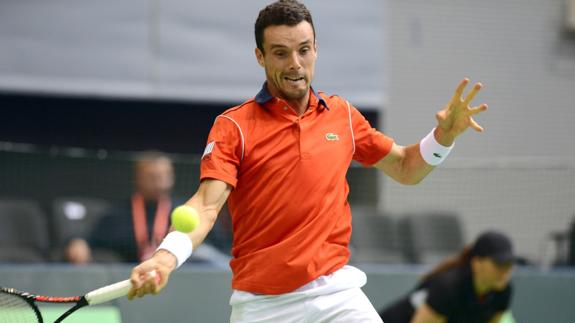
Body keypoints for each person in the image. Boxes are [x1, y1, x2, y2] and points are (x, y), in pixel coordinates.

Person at [128, 1, 488, 322]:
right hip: (263, 305)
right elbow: (205, 207)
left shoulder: (343, 115)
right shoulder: (233, 126)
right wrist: (165, 258)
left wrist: (444, 137)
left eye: (304, 50)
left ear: (316, 49)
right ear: (260, 57)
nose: (295, 64)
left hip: (336, 296)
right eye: (281, 53)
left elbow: (407, 168)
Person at [64, 151, 231, 265]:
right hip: (138, 280)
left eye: (165, 176)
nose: (160, 182)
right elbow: (89, 238)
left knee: (203, 253)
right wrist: (79, 243)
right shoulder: (119, 216)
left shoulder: (188, 210)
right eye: (152, 177)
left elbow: (221, 250)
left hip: (186, 280)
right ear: (138, 178)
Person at [379, 231, 516, 323]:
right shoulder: (448, 287)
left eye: (509, 264)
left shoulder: (503, 291)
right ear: (476, 263)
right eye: (498, 263)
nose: (505, 270)